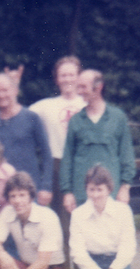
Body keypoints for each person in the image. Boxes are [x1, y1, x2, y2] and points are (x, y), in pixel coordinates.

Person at [60, 70, 135, 213]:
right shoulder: (76, 121)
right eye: (78, 87)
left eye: (83, 87)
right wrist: (67, 192)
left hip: (111, 194)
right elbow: (67, 159)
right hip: (81, 194)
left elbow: (127, 156)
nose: (79, 91)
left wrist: (125, 188)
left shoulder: (118, 118)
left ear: (99, 87)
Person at [28, 57, 85, 219]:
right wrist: (14, 84)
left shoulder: (87, 103)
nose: (67, 79)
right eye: (63, 75)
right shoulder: (45, 106)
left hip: (83, 162)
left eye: (71, 75)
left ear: (79, 77)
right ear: (56, 79)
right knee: (61, 216)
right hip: (57, 165)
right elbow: (19, 114)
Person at [0, 73, 52, 206]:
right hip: (3, 192)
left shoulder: (31, 117)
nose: (1, 95)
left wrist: (46, 187)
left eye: (5, 90)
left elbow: (46, 154)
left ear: (15, 90)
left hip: (30, 190)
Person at [0, 172, 64, 269]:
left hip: (50, 266)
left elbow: (43, 263)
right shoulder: (8, 212)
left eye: (22, 195)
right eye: (13, 196)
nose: (17, 201)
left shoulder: (48, 217)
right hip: (26, 265)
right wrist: (2, 255)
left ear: (31, 197)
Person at [69, 165, 135, 269]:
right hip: (89, 263)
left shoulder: (123, 211)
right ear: (86, 190)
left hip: (118, 262)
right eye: (91, 189)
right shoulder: (78, 214)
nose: (95, 195)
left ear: (109, 189)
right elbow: (78, 251)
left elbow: (127, 248)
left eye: (99, 190)